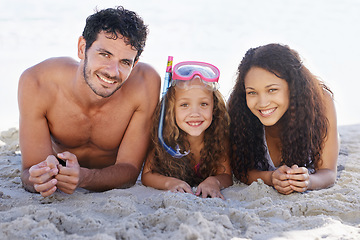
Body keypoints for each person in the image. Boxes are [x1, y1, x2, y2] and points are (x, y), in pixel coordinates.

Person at [18, 6, 161, 197]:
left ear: (134, 64)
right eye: (105, 54)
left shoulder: (146, 83)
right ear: (82, 48)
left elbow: (129, 170)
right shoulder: (37, 83)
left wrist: (85, 178)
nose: (112, 71)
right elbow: (29, 170)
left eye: (125, 62)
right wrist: (39, 178)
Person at [228, 43, 339, 195]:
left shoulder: (321, 101)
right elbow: (241, 170)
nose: (262, 103)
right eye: (252, 92)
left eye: (272, 90)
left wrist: (307, 181)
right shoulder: (238, 107)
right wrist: (271, 178)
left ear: (293, 88)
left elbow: (328, 172)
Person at [141, 60, 233, 199]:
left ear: (214, 108)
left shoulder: (218, 138)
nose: (195, 113)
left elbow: (226, 175)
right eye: (184, 105)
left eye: (203, 104)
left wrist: (213, 181)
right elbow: (147, 175)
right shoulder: (165, 139)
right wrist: (169, 183)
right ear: (171, 110)